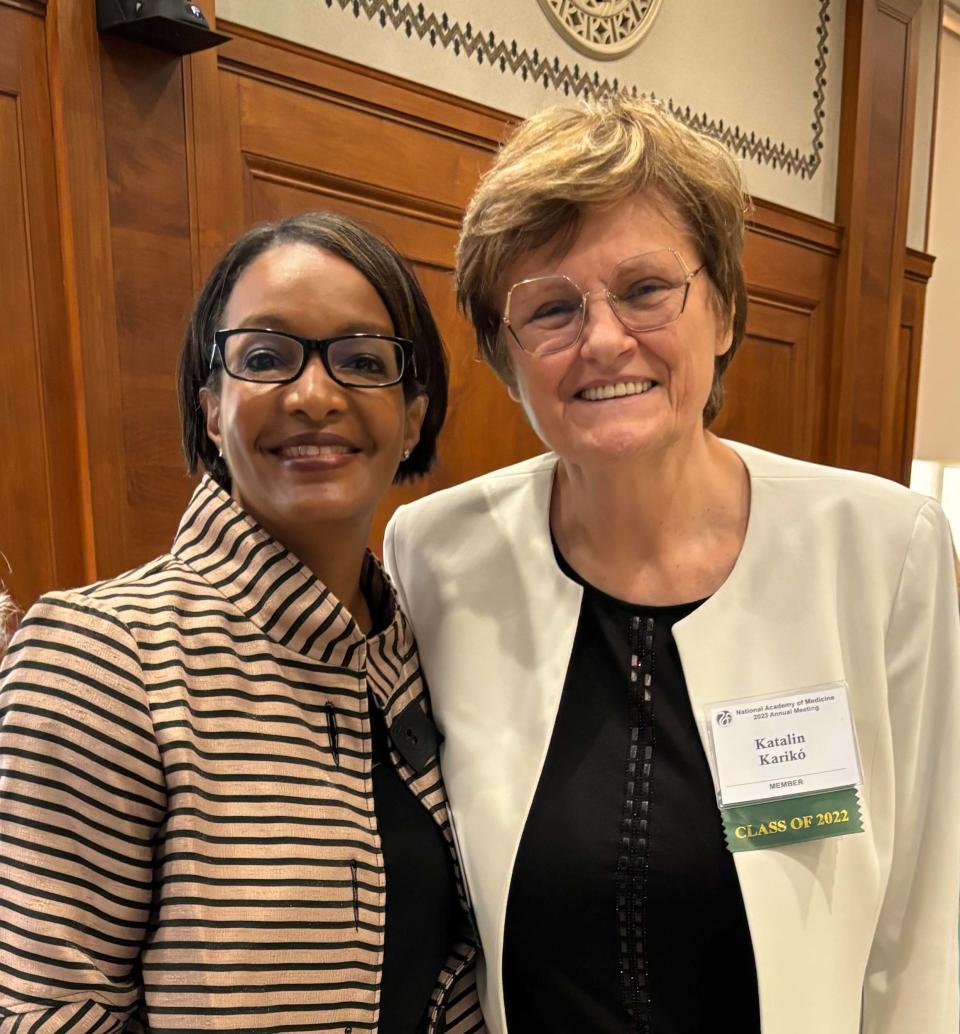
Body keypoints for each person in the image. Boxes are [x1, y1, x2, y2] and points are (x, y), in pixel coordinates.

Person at [383, 97, 960, 1034]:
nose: (604, 340)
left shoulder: (882, 550)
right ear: (503, 354)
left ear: (723, 312)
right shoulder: (438, 554)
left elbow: (925, 925)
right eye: (552, 308)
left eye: (647, 289)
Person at [0, 212, 483, 1033]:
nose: (316, 396)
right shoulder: (102, 655)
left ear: (411, 417)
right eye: (265, 358)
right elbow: (47, 1014)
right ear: (213, 408)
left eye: (364, 362)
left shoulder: (418, 651)